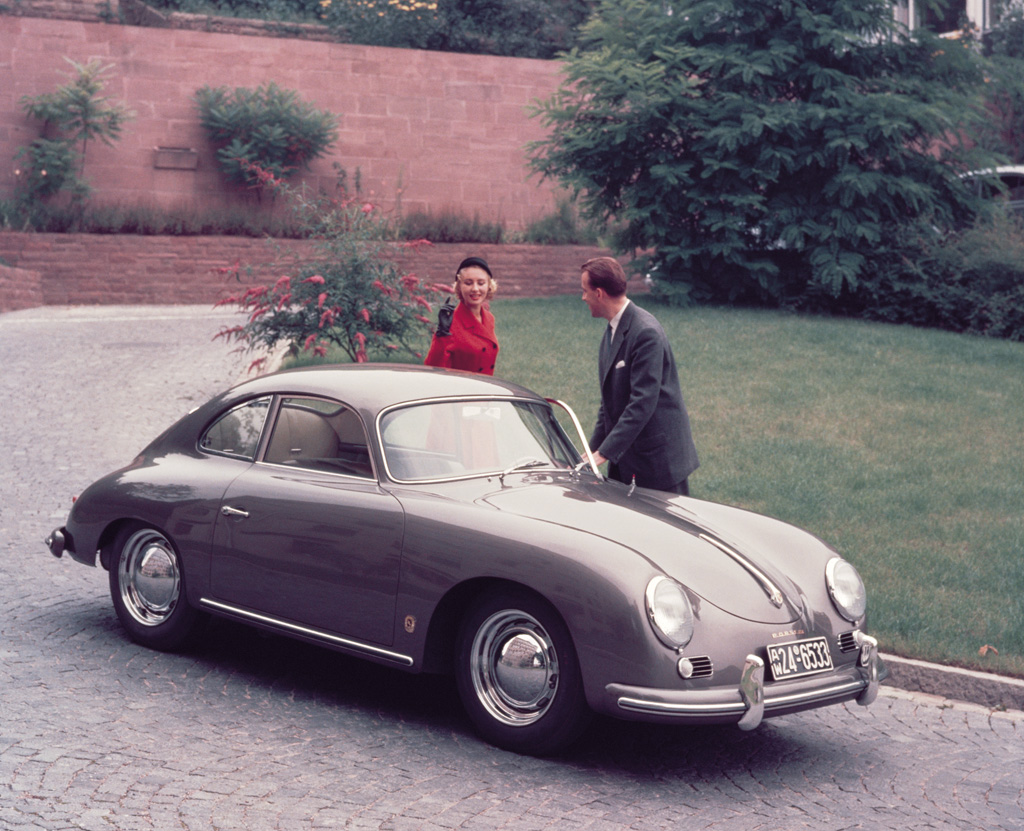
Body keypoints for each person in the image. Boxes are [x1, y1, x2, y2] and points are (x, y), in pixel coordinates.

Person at [581, 256, 699, 494]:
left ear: (599, 293)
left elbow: (643, 402)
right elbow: (610, 403)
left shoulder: (645, 333)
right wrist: (589, 452)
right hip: (628, 457)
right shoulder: (612, 330)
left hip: (658, 463)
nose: (583, 297)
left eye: (584, 291)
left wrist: (604, 453)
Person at [425, 256, 500, 375]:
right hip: (461, 390)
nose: (475, 289)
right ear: (459, 286)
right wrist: (441, 336)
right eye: (468, 283)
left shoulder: (489, 318)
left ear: (489, 285)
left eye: (481, 283)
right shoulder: (450, 323)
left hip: (486, 387)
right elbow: (432, 370)